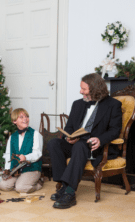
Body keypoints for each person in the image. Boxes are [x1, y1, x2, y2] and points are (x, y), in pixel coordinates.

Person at [47, 73, 122, 209]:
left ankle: (69, 193)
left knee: (81, 145)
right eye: (81, 88)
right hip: (77, 144)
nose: (80, 91)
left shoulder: (113, 105)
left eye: (84, 89)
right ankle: (63, 186)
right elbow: (69, 127)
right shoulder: (77, 104)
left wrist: (100, 139)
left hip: (95, 147)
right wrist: (69, 137)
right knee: (54, 143)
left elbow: (114, 130)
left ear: (95, 89)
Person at [0, 108, 43, 193]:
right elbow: (8, 154)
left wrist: (26, 157)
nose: (25, 119)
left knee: (21, 188)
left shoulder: (35, 134)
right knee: (3, 185)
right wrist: (7, 169)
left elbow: (37, 153)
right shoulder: (12, 137)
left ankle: (39, 183)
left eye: (26, 116)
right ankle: (20, 180)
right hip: (16, 169)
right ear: (14, 121)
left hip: (31, 168)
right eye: (21, 117)